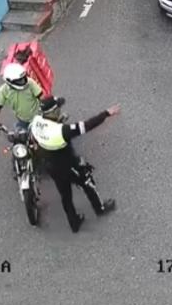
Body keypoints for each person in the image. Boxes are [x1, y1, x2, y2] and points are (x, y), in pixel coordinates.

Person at [29, 96, 120, 233]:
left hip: (51, 167)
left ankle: (74, 223)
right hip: (68, 165)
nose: (60, 110)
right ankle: (100, 209)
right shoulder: (62, 131)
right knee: (87, 182)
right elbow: (86, 126)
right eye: (58, 108)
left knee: (65, 196)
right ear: (52, 112)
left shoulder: (36, 122)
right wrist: (106, 113)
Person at [0, 63, 43, 133]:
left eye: (23, 78)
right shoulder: (3, 91)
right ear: (9, 81)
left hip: (38, 117)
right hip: (22, 119)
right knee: (21, 137)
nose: (23, 81)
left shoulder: (30, 83)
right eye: (19, 80)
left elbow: (41, 97)